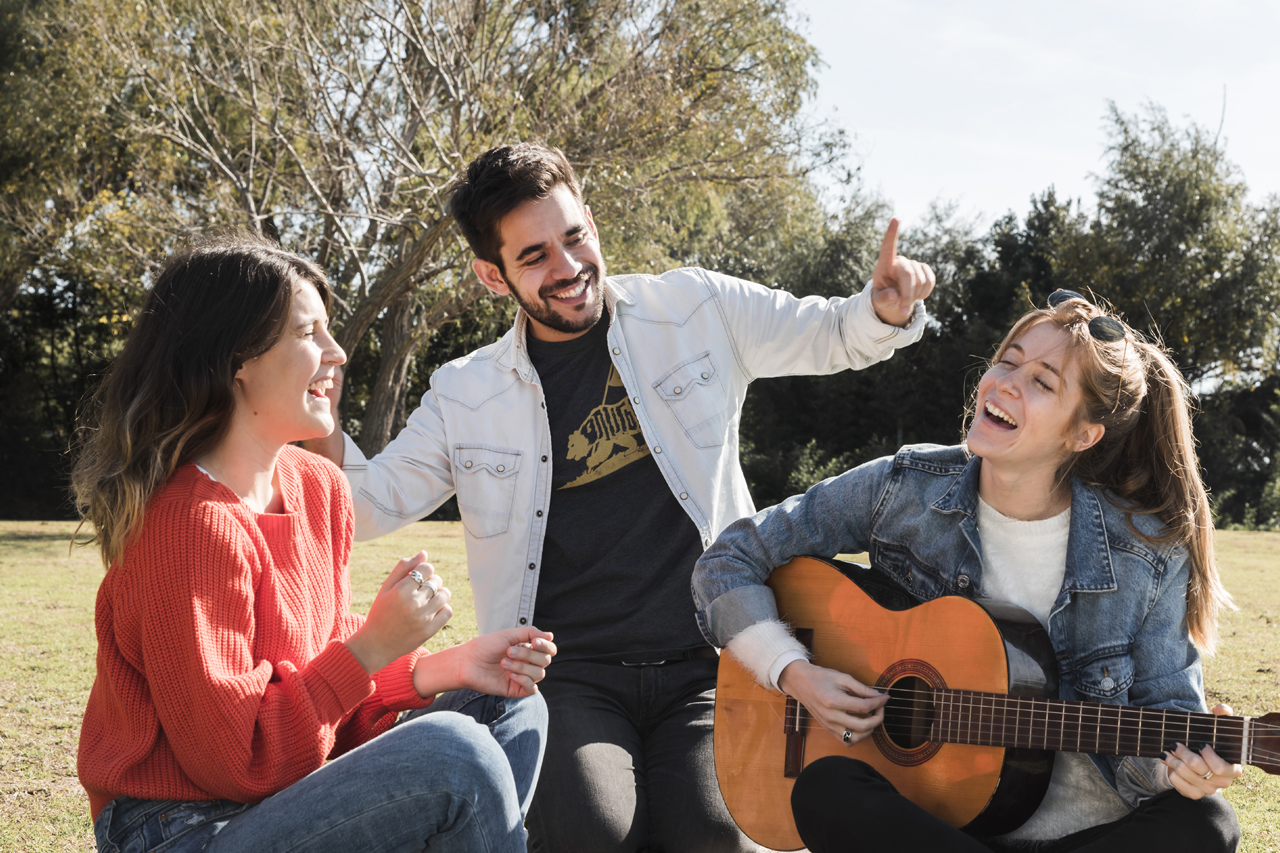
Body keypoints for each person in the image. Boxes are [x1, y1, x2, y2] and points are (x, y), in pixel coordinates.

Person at [302, 142, 936, 852]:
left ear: (593, 224)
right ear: (492, 275)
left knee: (713, 838)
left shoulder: (695, 308)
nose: (568, 267)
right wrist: (314, 407)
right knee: (597, 833)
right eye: (534, 256)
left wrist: (882, 309)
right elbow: (366, 504)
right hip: (565, 676)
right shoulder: (464, 392)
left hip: (710, 663)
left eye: (575, 237)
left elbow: (834, 333)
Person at [692, 290, 1243, 852]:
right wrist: (792, 672)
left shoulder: (1145, 551)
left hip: (1087, 836)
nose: (1004, 383)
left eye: (1042, 382)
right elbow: (729, 559)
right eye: (1007, 361)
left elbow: (1169, 715)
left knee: (1208, 821)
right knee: (825, 788)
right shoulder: (902, 487)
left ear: (1083, 434)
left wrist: (1180, 769)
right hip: (932, 827)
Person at [72, 231, 558, 853]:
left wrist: (447, 666)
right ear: (235, 360)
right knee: (454, 754)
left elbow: (317, 674)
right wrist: (372, 645)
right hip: (181, 829)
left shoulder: (318, 486)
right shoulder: (187, 526)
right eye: (309, 333)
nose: (337, 353)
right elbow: (238, 761)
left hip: (284, 797)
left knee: (510, 709)